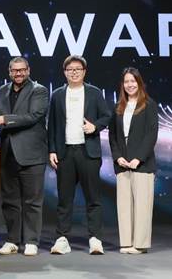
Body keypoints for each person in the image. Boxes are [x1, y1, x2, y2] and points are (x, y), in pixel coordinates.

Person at [0, 57, 49, 256]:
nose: (18, 73)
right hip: (7, 154)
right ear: (9, 71)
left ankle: (31, 241)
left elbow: (33, 116)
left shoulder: (39, 90)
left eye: (22, 70)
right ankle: (12, 240)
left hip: (31, 154)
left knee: (32, 201)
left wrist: (3, 119)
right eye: (14, 70)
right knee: (9, 201)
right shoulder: (3, 90)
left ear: (28, 70)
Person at [47, 55, 112, 255]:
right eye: (70, 69)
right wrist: (52, 150)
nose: (74, 72)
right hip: (65, 152)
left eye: (77, 69)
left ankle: (95, 239)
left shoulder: (94, 93)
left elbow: (107, 116)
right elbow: (52, 125)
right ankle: (62, 239)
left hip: (88, 152)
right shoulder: (57, 95)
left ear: (84, 72)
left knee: (93, 198)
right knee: (64, 199)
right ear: (65, 72)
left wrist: (95, 126)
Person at [108, 67, 159, 254]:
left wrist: (139, 158)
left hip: (142, 164)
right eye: (126, 81)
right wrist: (118, 157)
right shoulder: (118, 107)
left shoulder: (149, 105)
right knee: (124, 206)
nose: (129, 85)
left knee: (142, 206)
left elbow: (151, 134)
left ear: (139, 83)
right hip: (123, 163)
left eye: (133, 81)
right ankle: (127, 242)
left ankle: (140, 244)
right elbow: (113, 135)